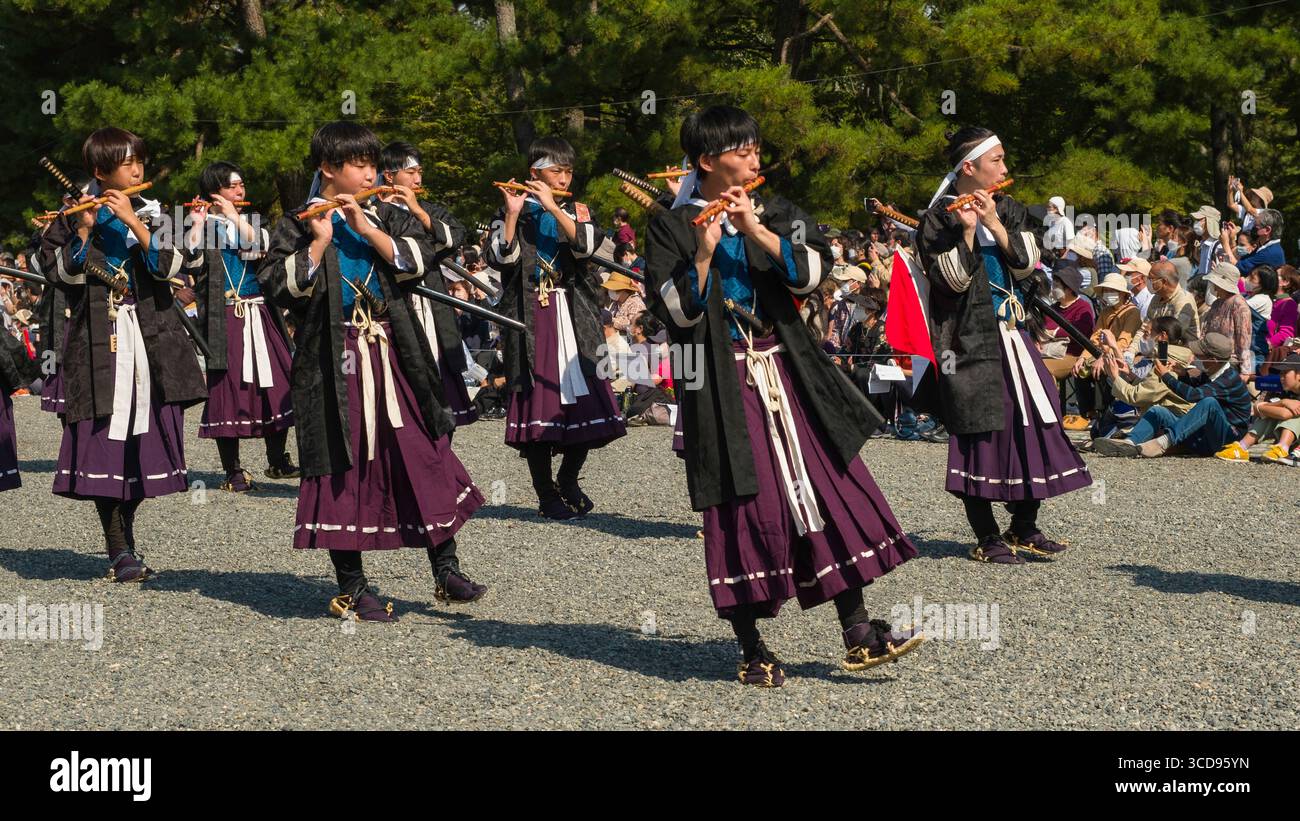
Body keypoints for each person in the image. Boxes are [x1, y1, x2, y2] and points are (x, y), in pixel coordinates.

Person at [645, 105, 923, 686]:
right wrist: (702, 253)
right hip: (720, 379)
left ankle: (860, 632)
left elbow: (812, 275)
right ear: (706, 161)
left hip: (787, 367)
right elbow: (674, 311)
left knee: (823, 487)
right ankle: (750, 646)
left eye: (754, 147)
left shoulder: (776, 210)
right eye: (740, 150)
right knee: (747, 503)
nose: (754, 157)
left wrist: (756, 230)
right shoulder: (670, 225)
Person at [258, 121, 487, 621]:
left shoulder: (386, 212)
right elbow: (275, 286)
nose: (369, 173)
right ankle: (352, 586)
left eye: (371, 163)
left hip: (393, 348)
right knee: (344, 462)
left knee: (424, 450)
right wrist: (318, 243)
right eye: (359, 164)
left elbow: (420, 263)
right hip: (332, 360)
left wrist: (367, 229)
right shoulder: (297, 222)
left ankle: (445, 569)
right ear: (329, 168)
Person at [34, 127, 208, 582]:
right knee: (103, 441)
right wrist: (85, 231)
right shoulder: (73, 215)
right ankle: (118, 548)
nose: (138, 169)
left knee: (142, 440)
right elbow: (56, 274)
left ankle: (126, 537)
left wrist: (133, 221)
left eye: (141, 161)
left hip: (150, 336)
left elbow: (174, 268)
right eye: (128, 162)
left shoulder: (151, 210)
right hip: (96, 341)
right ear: (100, 170)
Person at [915, 126, 1093, 565]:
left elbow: (1028, 265)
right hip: (967, 340)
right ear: (969, 167)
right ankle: (986, 536)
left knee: (1035, 420)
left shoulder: (1009, 208)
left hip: (1013, 334)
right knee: (978, 431)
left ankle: (1024, 526)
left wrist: (993, 220)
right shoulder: (938, 219)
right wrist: (971, 231)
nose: (1006, 169)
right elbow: (951, 280)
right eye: (997, 160)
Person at [484, 135, 627, 519]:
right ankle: (545, 494)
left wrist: (552, 206)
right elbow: (500, 258)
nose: (564, 178)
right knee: (537, 403)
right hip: (531, 316)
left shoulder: (578, 209)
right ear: (535, 173)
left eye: (568, 171)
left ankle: (569, 479)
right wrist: (513, 214)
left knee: (587, 399)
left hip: (574, 312)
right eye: (556, 171)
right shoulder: (511, 209)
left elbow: (589, 248)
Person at [183, 161, 299, 491]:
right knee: (228, 389)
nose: (239, 190)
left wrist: (234, 217)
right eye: (232, 186)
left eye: (241, 185)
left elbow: (264, 250)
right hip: (225, 317)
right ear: (214, 191)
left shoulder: (251, 223)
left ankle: (277, 460)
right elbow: (190, 262)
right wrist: (197, 223)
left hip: (260, 313)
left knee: (276, 383)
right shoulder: (199, 224)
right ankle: (233, 471)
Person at [376, 141, 480, 429]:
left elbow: (456, 237)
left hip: (432, 301)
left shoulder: (430, 209)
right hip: (395, 302)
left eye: (419, 171)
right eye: (410, 172)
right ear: (388, 176)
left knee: (442, 381)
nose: (418, 179)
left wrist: (418, 210)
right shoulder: (372, 210)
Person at [1093, 333, 1251, 458]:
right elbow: (1196, 386)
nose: (1195, 357)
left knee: (1209, 403)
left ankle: (1163, 443)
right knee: (1157, 411)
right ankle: (1129, 442)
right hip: (1207, 435)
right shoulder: (1214, 371)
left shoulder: (1228, 379)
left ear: (1214, 360)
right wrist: (1182, 374)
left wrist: (1167, 376)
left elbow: (1194, 395)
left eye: (1200, 354)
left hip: (1228, 440)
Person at [1062, 271, 1141, 430]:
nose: (1107, 294)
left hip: (1121, 354)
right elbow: (1095, 338)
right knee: (1080, 370)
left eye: (1111, 290)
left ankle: (1101, 413)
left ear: (1121, 293)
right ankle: (1087, 413)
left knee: (1101, 370)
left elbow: (1124, 341)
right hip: (1103, 352)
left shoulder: (1132, 312)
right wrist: (1083, 358)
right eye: (1106, 290)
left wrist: (1104, 357)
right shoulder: (1106, 311)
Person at [1215, 354, 1300, 465]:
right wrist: (1282, 402)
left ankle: (1282, 448)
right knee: (1270, 415)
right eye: (1280, 373)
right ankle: (1241, 447)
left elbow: (1285, 414)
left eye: (1285, 373)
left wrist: (1260, 407)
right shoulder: (1286, 390)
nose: (1281, 377)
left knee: (1294, 415)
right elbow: (1259, 409)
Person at [1128, 260, 1200, 358]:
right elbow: (1144, 329)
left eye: (1151, 278)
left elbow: (1172, 337)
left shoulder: (1183, 300)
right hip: (1156, 350)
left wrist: (1144, 353)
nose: (1147, 281)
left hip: (1179, 354)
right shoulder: (1156, 298)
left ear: (1163, 281)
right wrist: (1131, 351)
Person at [1039, 262, 1095, 384]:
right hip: (1048, 351)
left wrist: (1053, 332)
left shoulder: (1083, 307)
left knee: (1041, 369)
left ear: (1069, 288)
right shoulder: (1053, 307)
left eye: (1056, 285)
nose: (1053, 288)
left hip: (1072, 354)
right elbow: (1041, 327)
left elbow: (1080, 333)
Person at [1201, 261, 1256, 381]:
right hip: (1210, 358)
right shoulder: (1216, 303)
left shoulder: (1239, 305)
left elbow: (1244, 338)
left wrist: (1246, 371)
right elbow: (1205, 330)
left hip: (1229, 362)